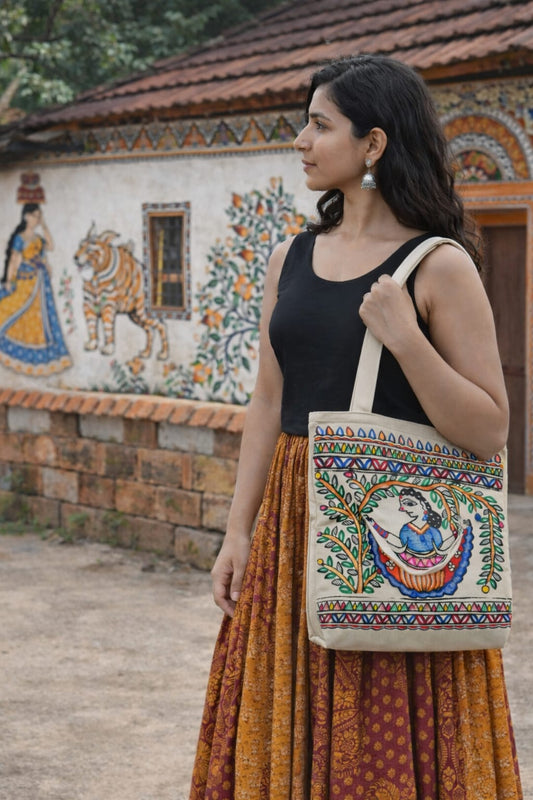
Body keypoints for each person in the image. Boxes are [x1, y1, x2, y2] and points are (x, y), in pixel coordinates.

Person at [190, 55, 522, 798]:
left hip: (388, 526)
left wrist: (404, 338)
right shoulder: (290, 257)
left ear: (372, 144)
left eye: (319, 125)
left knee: (380, 722)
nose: (301, 140)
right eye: (304, 124)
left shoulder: (438, 265)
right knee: (288, 710)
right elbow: (268, 402)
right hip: (292, 520)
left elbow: (490, 428)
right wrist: (237, 532)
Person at [0, 203, 71, 375]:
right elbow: (14, 259)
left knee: (38, 318)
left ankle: (35, 355)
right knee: (15, 308)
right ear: (26, 216)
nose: (37, 219)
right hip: (25, 280)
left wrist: (45, 225)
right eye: (35, 216)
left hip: (40, 282)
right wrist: (9, 280)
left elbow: (51, 246)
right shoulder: (20, 238)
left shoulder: (38, 238)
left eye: (39, 216)